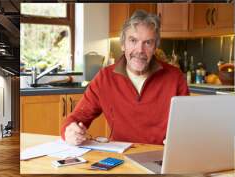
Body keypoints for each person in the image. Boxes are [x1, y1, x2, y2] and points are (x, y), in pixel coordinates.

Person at [61, 10, 189, 145]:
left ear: (155, 47)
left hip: (161, 157)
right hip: (121, 158)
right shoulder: (105, 78)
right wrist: (69, 131)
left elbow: (189, 125)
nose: (140, 50)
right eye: (133, 40)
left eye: (147, 43)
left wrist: (182, 139)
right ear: (123, 44)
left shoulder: (175, 77)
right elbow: (76, 118)